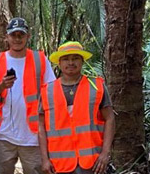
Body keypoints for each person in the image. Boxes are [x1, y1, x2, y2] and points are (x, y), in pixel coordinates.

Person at [0, 17, 56, 173]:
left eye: (21, 35)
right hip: (3, 134)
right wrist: (1, 86)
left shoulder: (40, 60)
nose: (17, 39)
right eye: (13, 35)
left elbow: (53, 92)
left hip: (33, 135)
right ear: (7, 37)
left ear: (27, 36)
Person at [38, 41, 115, 174]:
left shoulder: (96, 86)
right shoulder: (47, 91)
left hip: (92, 162)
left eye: (75, 58)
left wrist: (105, 153)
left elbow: (110, 118)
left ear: (82, 61)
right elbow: (40, 125)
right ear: (59, 63)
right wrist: (44, 159)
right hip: (59, 163)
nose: (71, 63)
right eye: (66, 59)